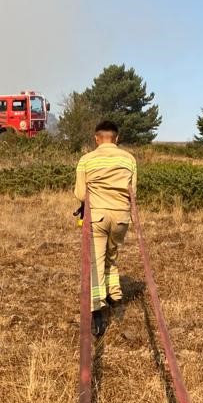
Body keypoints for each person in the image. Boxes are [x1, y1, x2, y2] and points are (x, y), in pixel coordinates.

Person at [74, 120, 137, 337]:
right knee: (112, 255)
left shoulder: (86, 160)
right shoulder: (129, 159)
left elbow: (81, 195)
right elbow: (133, 192)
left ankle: (97, 312)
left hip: (97, 216)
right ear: (117, 138)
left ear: (96, 138)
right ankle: (116, 297)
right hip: (121, 216)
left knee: (96, 262)